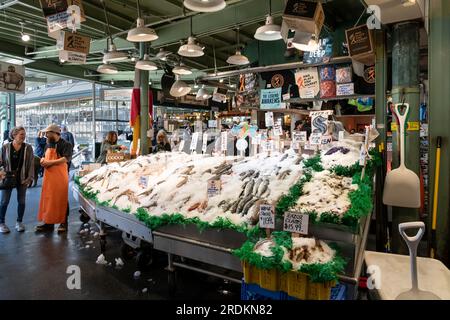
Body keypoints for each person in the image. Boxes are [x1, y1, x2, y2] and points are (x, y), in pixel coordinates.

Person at [35, 124, 73, 233]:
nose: (46, 135)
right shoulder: (48, 144)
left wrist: (50, 162)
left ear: (55, 133)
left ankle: (63, 223)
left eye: (48, 133)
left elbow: (65, 159)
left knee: (61, 198)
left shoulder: (66, 144)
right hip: (48, 177)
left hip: (60, 176)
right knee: (48, 199)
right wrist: (42, 161)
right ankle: (48, 223)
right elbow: (43, 156)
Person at [0, 126, 34, 233]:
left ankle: (19, 222)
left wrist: (30, 178)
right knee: (4, 201)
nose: (24, 137)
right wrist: (1, 172)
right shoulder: (5, 147)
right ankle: (1, 223)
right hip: (7, 178)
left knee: (22, 201)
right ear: (14, 135)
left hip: (22, 178)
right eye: (21, 134)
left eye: (24, 134)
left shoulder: (28, 148)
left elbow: (31, 163)